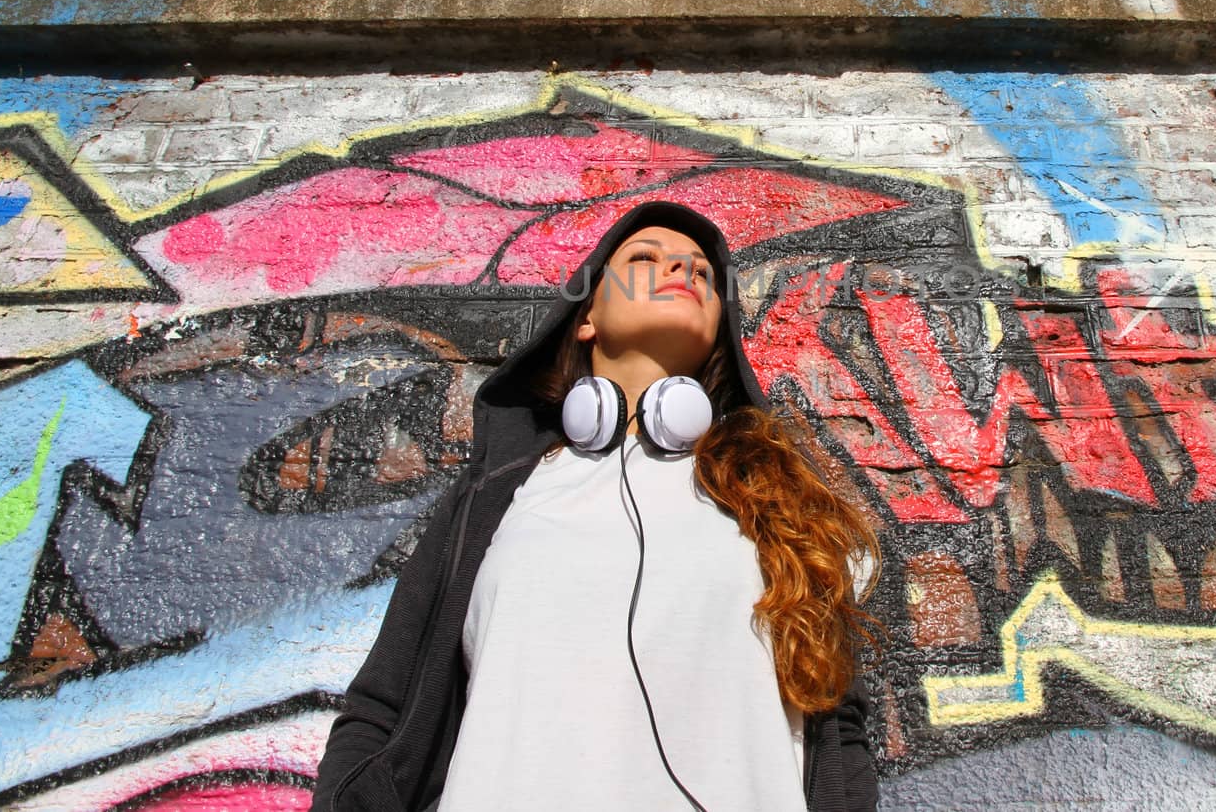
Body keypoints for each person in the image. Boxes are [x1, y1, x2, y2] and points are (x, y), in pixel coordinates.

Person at [311, 201, 881, 812]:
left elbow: (836, 728)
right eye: (645, 259)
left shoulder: (777, 500)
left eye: (701, 273)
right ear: (586, 319)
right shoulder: (498, 494)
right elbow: (383, 707)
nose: (682, 271)